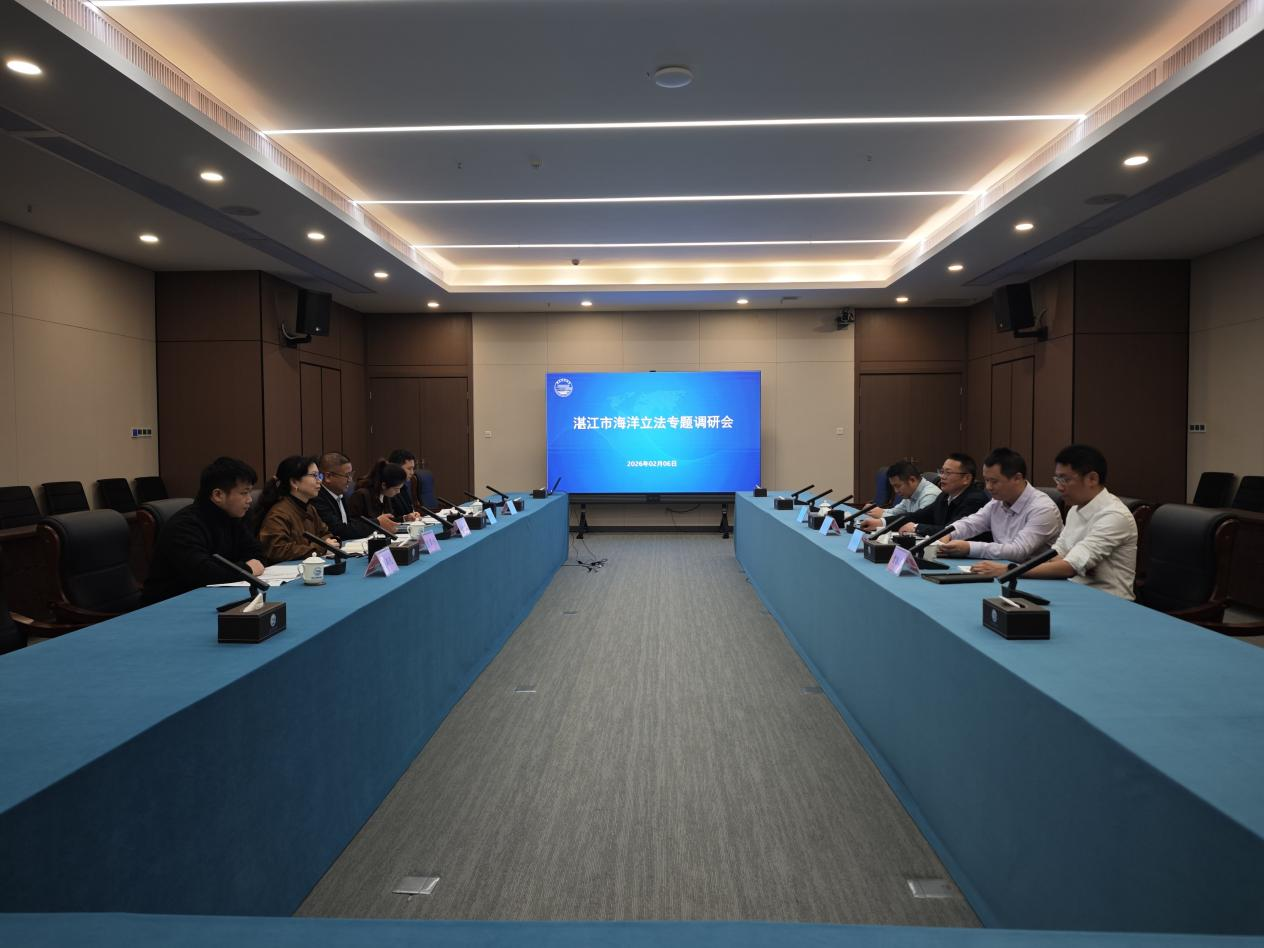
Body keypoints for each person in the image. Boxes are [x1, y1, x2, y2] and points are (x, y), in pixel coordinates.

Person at [992, 444, 1138, 599]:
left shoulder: (1115, 516)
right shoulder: (1075, 509)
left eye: (1065, 479)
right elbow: (1057, 554)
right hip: (1073, 590)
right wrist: (1064, 563)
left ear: (1092, 479)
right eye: (1057, 479)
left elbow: (1070, 566)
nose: (1059, 487)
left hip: (1108, 600)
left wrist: (1010, 570)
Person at [141, 457, 265, 604]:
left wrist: (246, 567)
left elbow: (256, 553)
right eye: (244, 493)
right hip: (171, 604)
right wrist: (246, 569)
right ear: (218, 495)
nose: (249, 499)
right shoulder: (185, 526)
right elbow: (203, 572)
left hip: (216, 596)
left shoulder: (234, 516)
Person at [937, 447, 1063, 573]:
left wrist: (969, 547)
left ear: (1017, 478)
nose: (988, 487)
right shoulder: (997, 501)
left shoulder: (1043, 508)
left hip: (1036, 577)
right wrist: (948, 534)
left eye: (994, 481)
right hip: (1001, 570)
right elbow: (972, 523)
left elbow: (1018, 551)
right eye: (986, 480)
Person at [252, 455, 337, 564]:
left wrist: (326, 543)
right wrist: (321, 547)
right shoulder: (278, 513)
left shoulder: (309, 507)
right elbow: (277, 550)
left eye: (319, 475)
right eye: (314, 475)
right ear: (294, 482)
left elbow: (326, 533)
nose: (319, 481)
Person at [895, 453, 991, 536]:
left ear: (966, 478)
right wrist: (887, 522)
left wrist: (916, 527)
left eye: (948, 473)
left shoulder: (975, 500)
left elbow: (951, 530)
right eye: (941, 472)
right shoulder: (945, 496)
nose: (942, 477)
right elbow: (917, 516)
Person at [858, 460, 941, 531]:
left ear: (912, 480)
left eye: (898, 486)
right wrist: (876, 510)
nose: (896, 491)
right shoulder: (910, 493)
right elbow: (895, 512)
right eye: (893, 487)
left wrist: (882, 516)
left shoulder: (930, 495)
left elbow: (916, 524)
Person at [314, 452, 371, 541]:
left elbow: (349, 523)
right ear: (328, 477)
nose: (350, 480)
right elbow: (339, 530)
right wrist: (377, 524)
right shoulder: (318, 498)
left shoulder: (340, 493)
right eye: (347, 475)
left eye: (351, 475)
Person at [347, 460, 409, 531]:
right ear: (384, 485)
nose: (398, 492)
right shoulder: (360, 495)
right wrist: (377, 522)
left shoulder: (385, 494)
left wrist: (404, 518)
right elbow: (355, 525)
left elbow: (386, 520)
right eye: (396, 489)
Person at [387, 449, 426, 521]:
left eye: (413, 468)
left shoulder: (403, 487)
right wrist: (405, 518)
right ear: (396, 468)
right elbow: (387, 519)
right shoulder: (387, 489)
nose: (412, 472)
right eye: (409, 469)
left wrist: (413, 515)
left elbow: (408, 512)